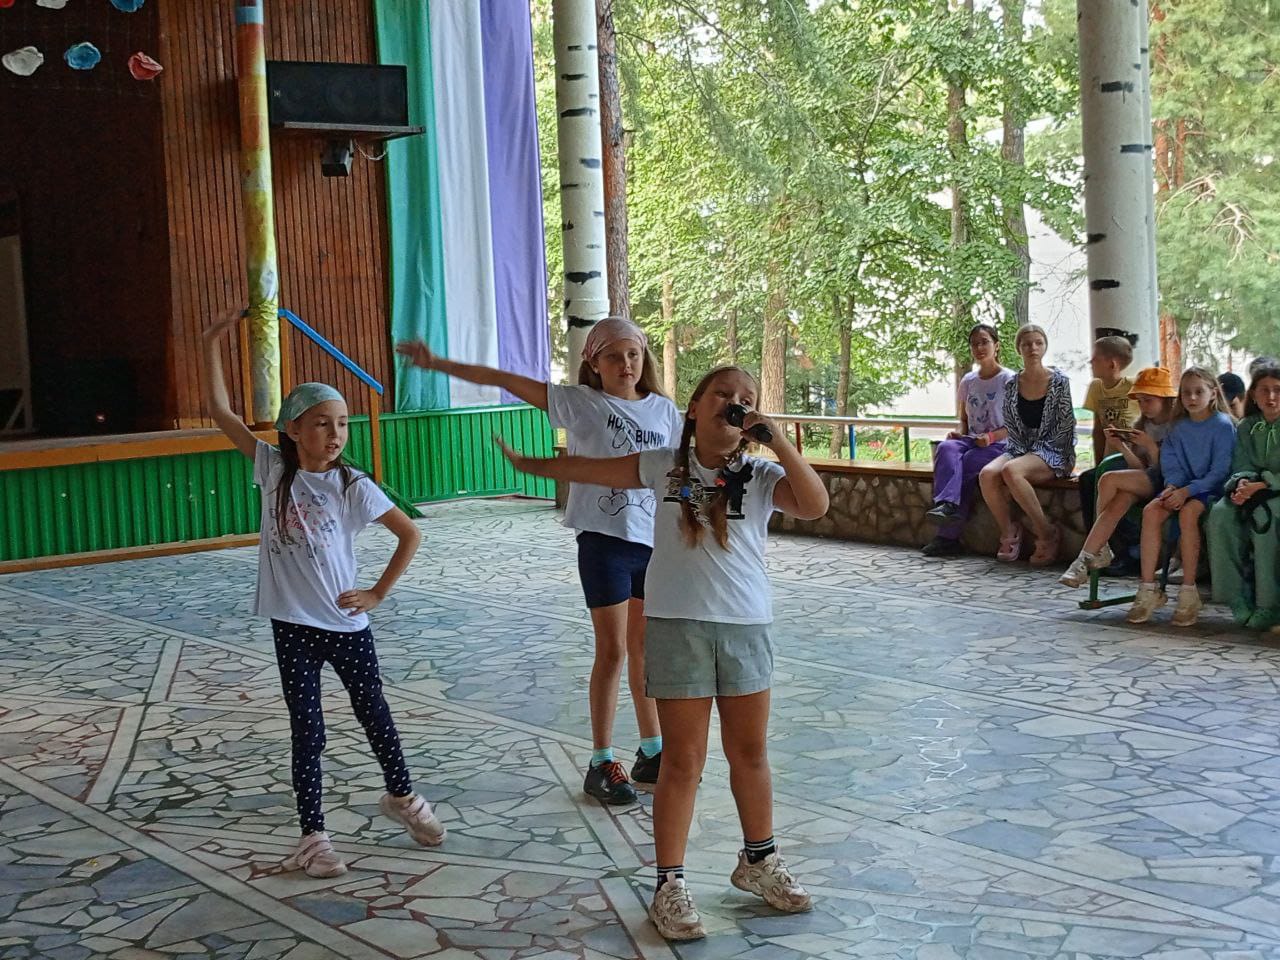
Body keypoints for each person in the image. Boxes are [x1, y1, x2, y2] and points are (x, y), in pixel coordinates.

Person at [495, 365, 829, 941]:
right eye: (723, 394)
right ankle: (669, 884)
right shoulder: (662, 465)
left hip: (746, 627)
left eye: (746, 398)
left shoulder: (760, 475)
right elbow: (593, 469)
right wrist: (533, 466)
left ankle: (759, 859)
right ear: (693, 408)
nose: (735, 403)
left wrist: (775, 440)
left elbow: (815, 504)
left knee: (750, 753)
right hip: (677, 626)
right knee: (682, 761)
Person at [396, 317, 682, 805]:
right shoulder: (581, 402)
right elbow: (505, 380)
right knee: (612, 651)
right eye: (613, 356)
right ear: (593, 362)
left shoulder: (664, 410)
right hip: (604, 542)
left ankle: (652, 749)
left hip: (652, 544)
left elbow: (676, 474)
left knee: (644, 650)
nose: (626, 364)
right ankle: (601, 760)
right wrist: (438, 363)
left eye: (633, 354)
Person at [203, 309, 442, 879]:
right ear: (292, 430)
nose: (334, 435)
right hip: (292, 626)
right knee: (307, 730)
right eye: (320, 424)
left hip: (346, 626)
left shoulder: (351, 484)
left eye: (342, 424)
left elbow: (409, 534)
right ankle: (314, 837)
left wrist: (376, 593)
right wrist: (211, 342)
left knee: (374, 714)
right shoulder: (272, 469)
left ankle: (402, 796)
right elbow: (221, 412)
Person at [1127, 367, 1236, 626]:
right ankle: (1148, 588)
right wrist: (1172, 486)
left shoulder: (1223, 426)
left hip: (1211, 490)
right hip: (1181, 488)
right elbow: (1171, 462)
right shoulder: (1178, 427)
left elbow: (1220, 471)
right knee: (1151, 511)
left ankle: (1189, 591)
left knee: (1188, 514)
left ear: (1213, 394)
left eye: (1199, 392)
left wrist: (1188, 491)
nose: (1192, 398)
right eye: (1186, 393)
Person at [1059, 367, 1177, 587]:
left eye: (1148, 400)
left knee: (1108, 479)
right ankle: (1085, 559)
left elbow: (1167, 468)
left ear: (1165, 399)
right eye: (1140, 401)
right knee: (1117, 500)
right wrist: (1121, 446)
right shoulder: (1143, 424)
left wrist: (1151, 447)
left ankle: (1099, 548)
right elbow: (1140, 467)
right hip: (1147, 479)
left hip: (1169, 481)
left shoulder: (1175, 426)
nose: (1143, 406)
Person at [978, 323, 1076, 565]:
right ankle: (1009, 531)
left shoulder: (1059, 382)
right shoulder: (1012, 384)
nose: (1033, 348)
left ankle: (1047, 533)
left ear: (1045, 347)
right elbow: (1011, 423)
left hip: (1054, 449)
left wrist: (1036, 452)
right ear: (1018, 349)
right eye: (1027, 344)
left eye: (1038, 343)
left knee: (1012, 470)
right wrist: (1022, 451)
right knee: (988, 474)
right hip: (1021, 447)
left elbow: (1066, 425)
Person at [922, 323, 1014, 557]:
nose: (980, 348)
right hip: (971, 440)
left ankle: (947, 537)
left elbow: (1017, 424)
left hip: (1000, 445)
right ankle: (946, 505)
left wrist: (991, 437)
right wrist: (960, 434)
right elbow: (964, 419)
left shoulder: (1009, 379)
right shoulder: (968, 381)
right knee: (946, 447)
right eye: (975, 344)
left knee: (966, 464)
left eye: (985, 342)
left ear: (996, 346)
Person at [1208, 363, 1280, 629]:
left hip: (1275, 492)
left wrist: (1263, 484)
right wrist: (1242, 484)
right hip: (1251, 489)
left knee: (1264, 517)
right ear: (1254, 394)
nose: (1271, 397)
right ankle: (1235, 595)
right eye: (1264, 390)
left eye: (1278, 390)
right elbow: (1240, 464)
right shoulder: (1247, 426)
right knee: (1220, 514)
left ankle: (1268, 604)